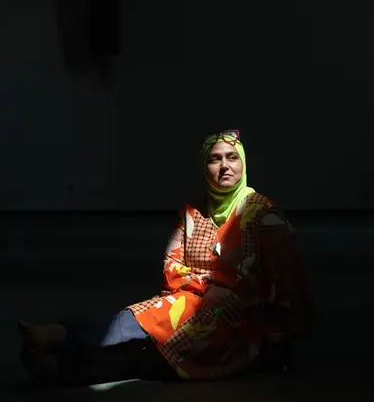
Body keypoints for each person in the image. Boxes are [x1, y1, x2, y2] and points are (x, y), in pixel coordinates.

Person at [19, 130, 315, 386]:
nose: (224, 166)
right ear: (204, 168)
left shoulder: (264, 215)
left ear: (243, 163)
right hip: (186, 308)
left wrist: (278, 342)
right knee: (141, 320)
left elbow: (288, 283)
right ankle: (57, 349)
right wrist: (208, 288)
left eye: (232, 157)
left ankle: (58, 358)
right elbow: (171, 266)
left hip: (240, 327)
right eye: (215, 159)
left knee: (146, 360)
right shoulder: (192, 213)